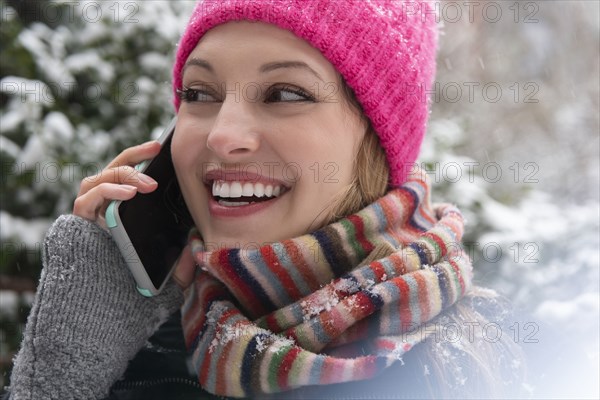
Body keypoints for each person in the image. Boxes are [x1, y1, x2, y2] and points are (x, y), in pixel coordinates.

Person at [5, 1, 524, 399]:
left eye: (285, 93)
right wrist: (64, 372)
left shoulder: (472, 366)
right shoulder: (139, 345)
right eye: (200, 94)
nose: (222, 135)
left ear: (379, 137)